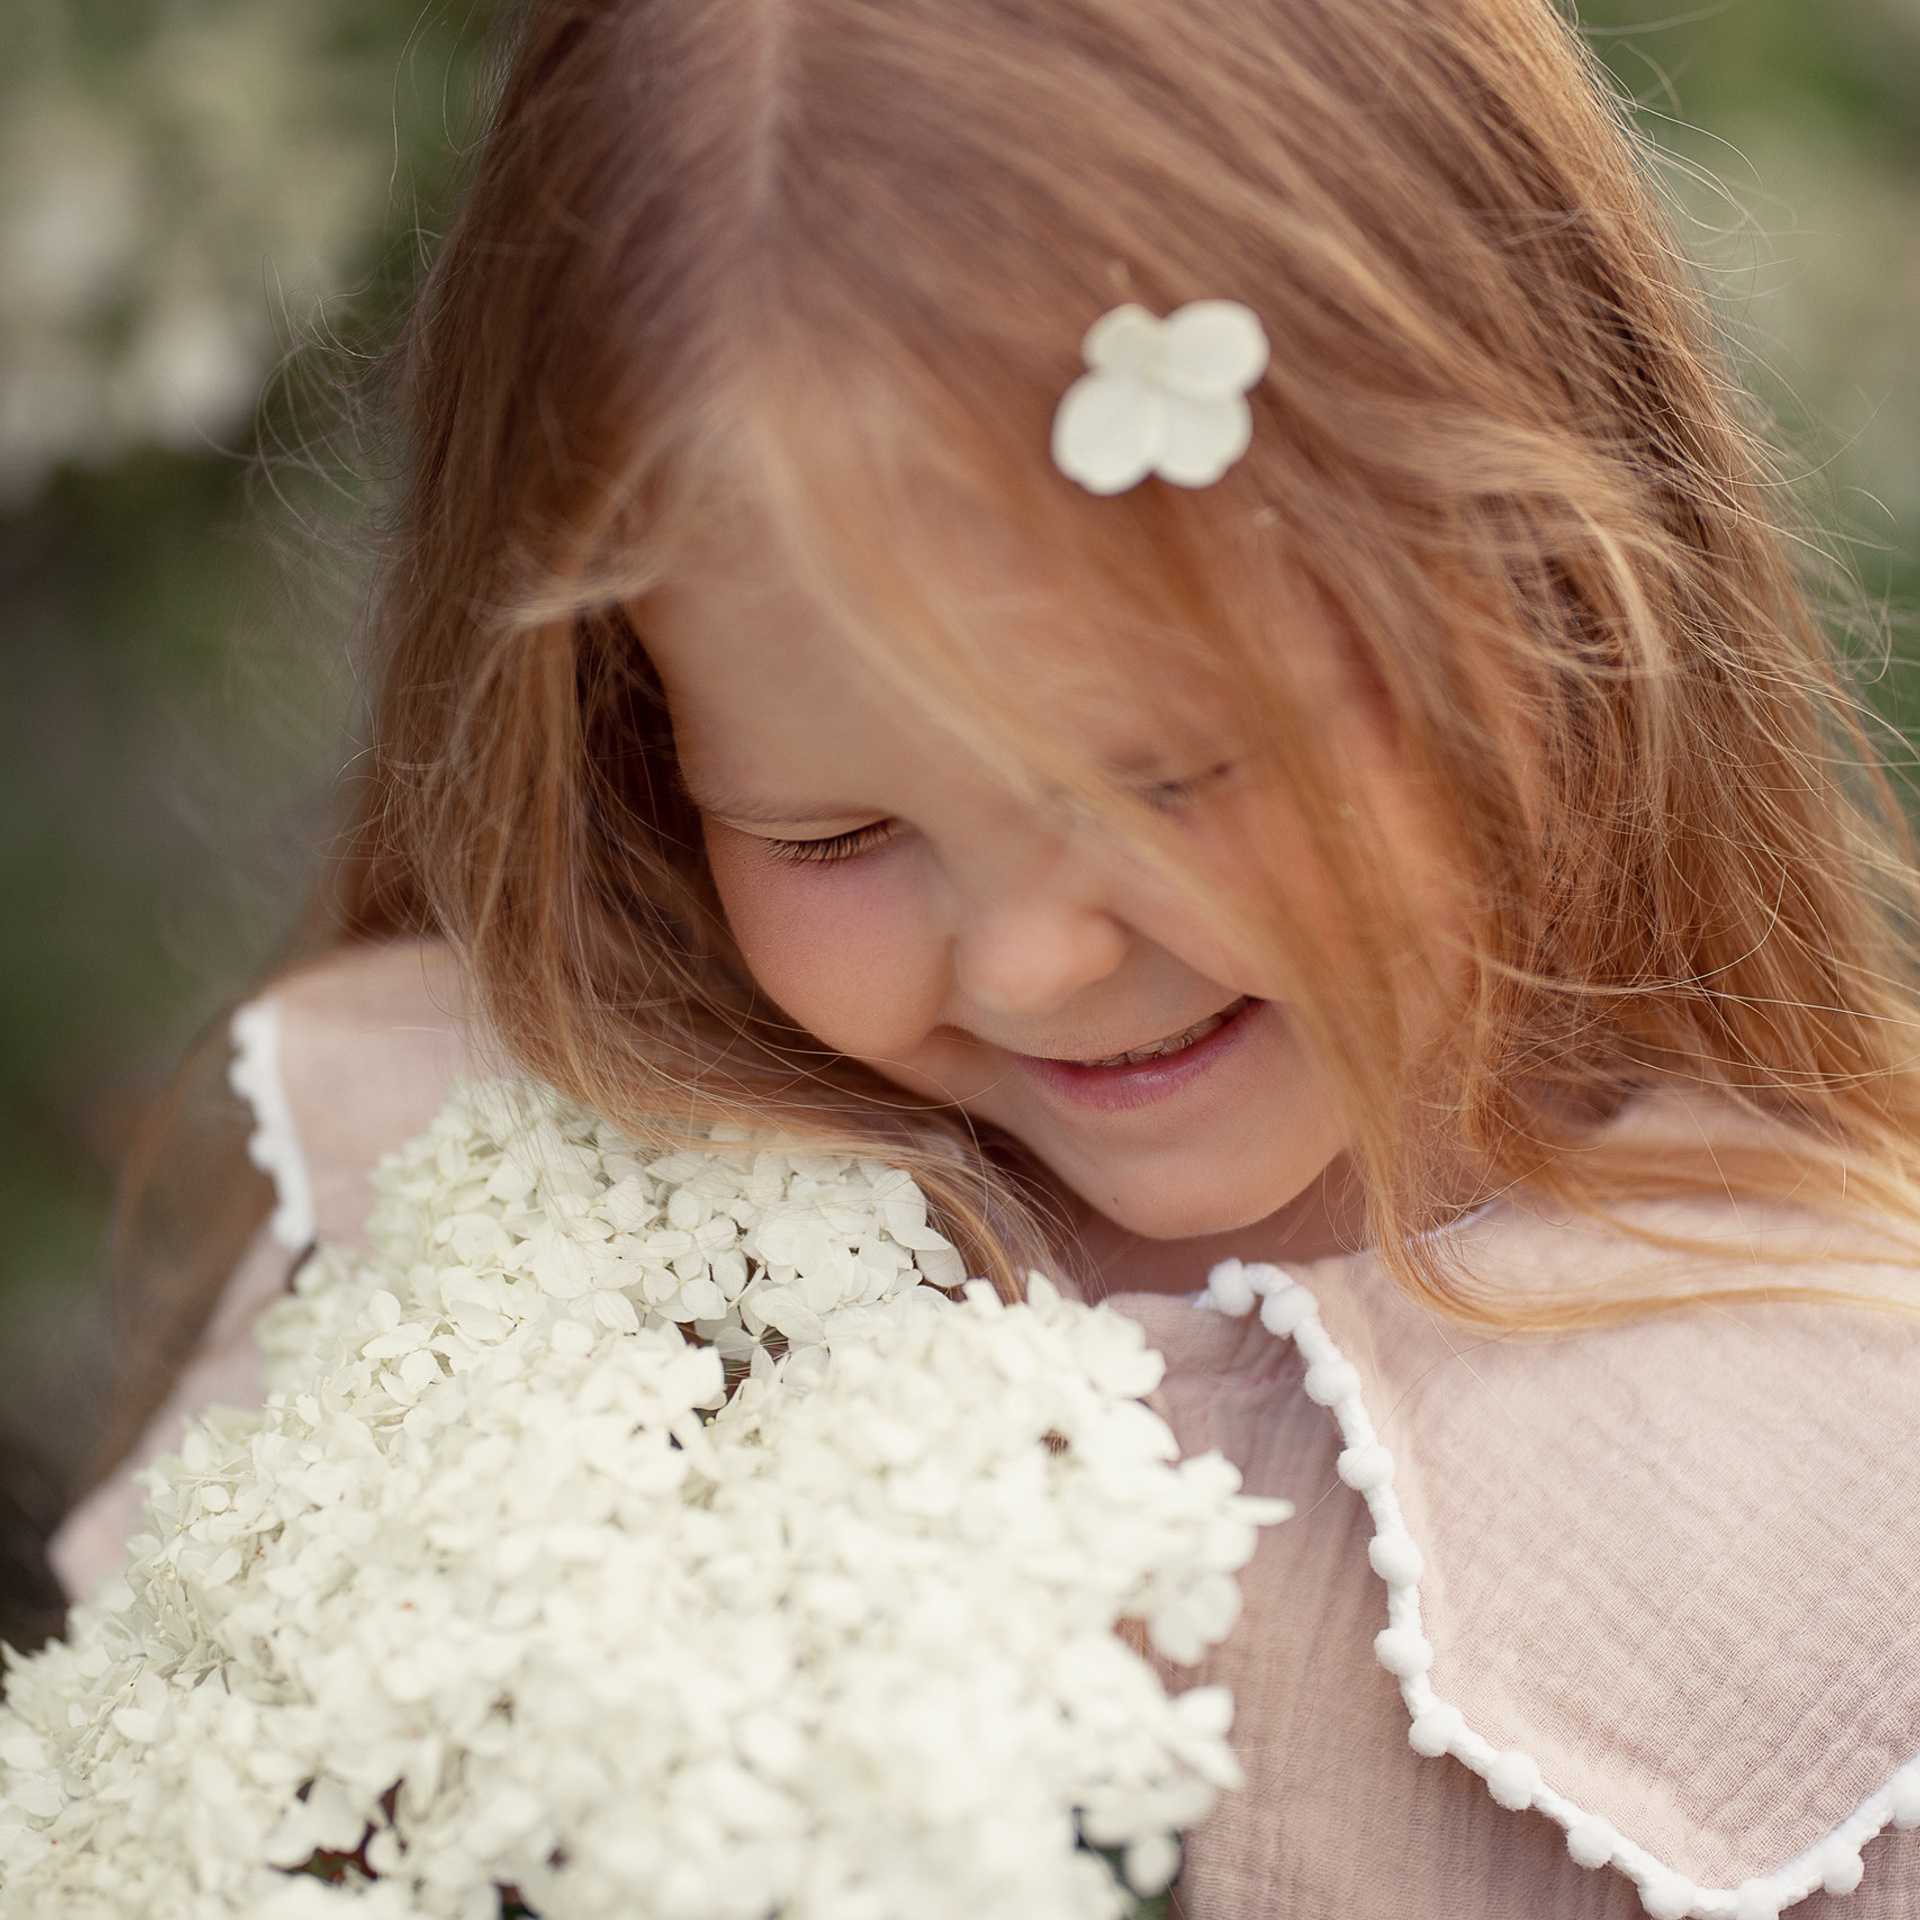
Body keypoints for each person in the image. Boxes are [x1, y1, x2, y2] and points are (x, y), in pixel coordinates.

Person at [47, 0, 1920, 1913]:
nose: (1033, 961)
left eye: (1180, 776)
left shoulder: (1832, 1477)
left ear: (1549, 589)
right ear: (637, 752)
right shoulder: (496, 1203)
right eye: (833, 835)